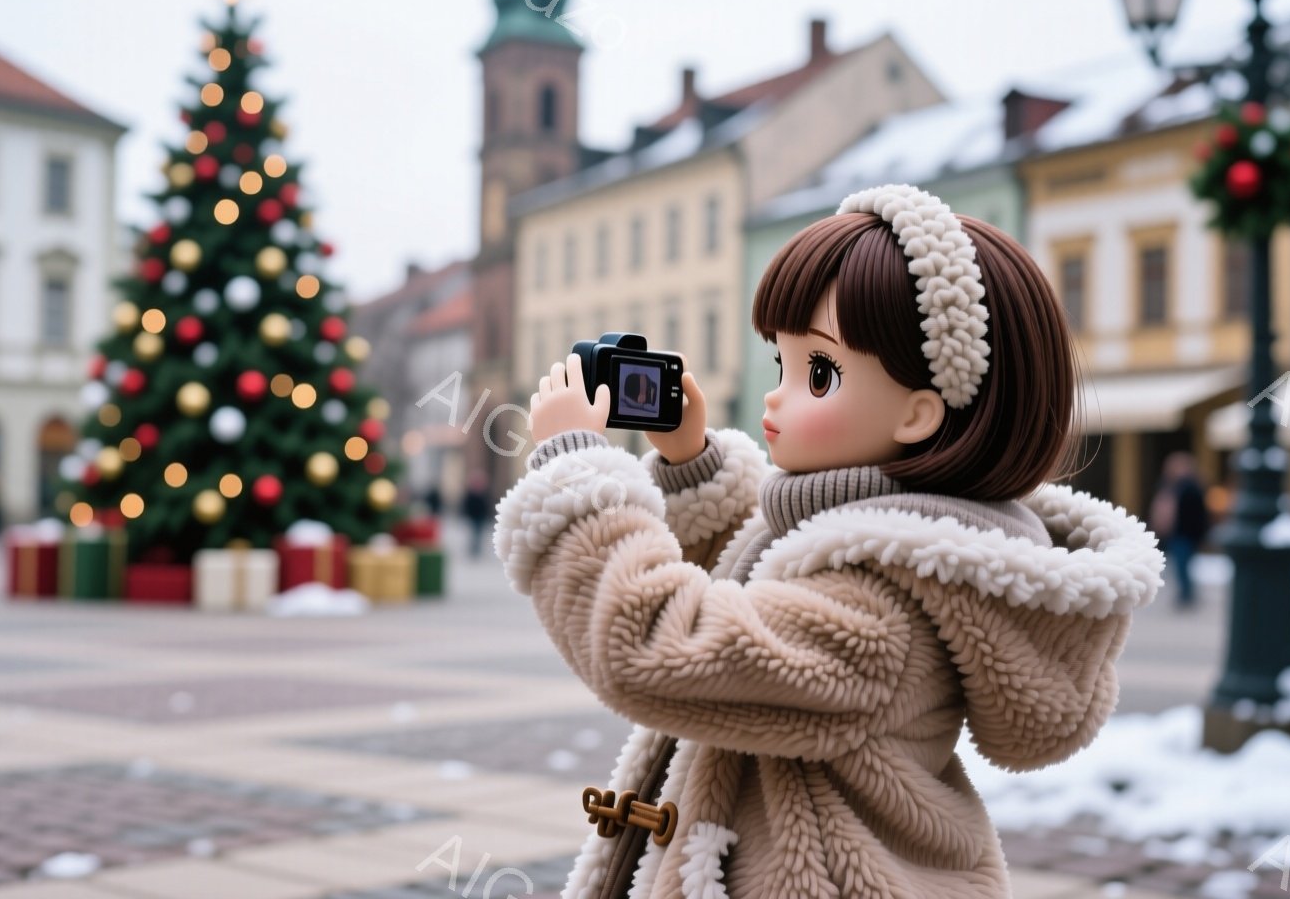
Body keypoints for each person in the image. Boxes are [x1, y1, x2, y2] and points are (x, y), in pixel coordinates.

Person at [495, 185, 1161, 898]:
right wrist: (695, 468)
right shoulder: (873, 546)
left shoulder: (885, 610)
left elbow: (662, 649)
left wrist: (575, 477)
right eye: (781, 364)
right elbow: (760, 598)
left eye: (818, 372)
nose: (775, 397)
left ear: (918, 412)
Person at [1151, 451, 1209, 610]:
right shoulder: (1173, 486)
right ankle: (1186, 594)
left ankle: (1186, 595)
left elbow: (1198, 515)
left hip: (1185, 534)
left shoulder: (1189, 488)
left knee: (1182, 566)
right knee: (1180, 565)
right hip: (1180, 533)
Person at [460, 471, 492, 558]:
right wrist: (467, 513)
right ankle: (474, 548)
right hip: (473, 516)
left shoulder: (483, 493)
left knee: (478, 533)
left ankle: (476, 548)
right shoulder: (471, 493)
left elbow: (486, 505)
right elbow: (467, 504)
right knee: (474, 532)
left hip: (480, 517)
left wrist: (487, 514)